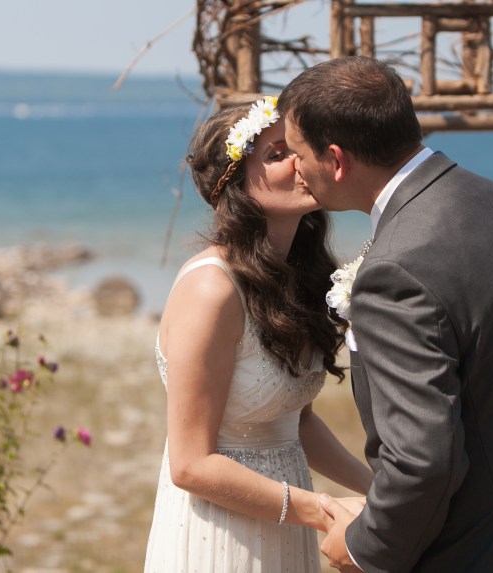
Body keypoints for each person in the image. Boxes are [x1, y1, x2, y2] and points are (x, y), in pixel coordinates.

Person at [278, 55, 493, 573]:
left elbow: (423, 460)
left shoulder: (396, 269)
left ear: (337, 160)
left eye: (298, 153)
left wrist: (366, 546)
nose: (295, 168)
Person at [143, 97, 373, 572]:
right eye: (276, 154)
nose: (299, 161)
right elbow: (190, 464)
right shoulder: (213, 288)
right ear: (235, 185)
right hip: (219, 532)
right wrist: (324, 510)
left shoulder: (298, 279)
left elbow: (298, 424)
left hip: (283, 521)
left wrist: (382, 493)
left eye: (298, 148)